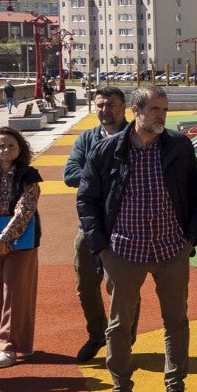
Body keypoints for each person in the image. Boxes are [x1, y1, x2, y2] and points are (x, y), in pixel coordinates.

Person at [76, 85, 197, 392]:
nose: (161, 116)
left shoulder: (178, 145)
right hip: (123, 249)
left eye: (164, 109)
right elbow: (87, 201)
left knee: (176, 321)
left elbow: (194, 196)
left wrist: (190, 238)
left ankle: (175, 389)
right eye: (155, 110)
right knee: (119, 325)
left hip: (171, 248)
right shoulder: (106, 151)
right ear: (136, 110)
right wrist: (100, 246)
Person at [62, 86, 127, 361]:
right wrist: (107, 175)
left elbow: (134, 175)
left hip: (125, 226)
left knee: (123, 287)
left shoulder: (134, 137)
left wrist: (93, 177)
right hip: (88, 226)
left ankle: (123, 337)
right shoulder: (86, 139)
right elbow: (70, 174)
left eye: (111, 105)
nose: (105, 110)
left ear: (124, 107)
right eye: (100, 105)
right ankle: (97, 334)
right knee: (86, 285)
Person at [0, 126, 43, 368]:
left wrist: (5, 239)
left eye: (11, 145)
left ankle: (8, 348)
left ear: (20, 149)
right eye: (1, 145)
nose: (5, 149)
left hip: (20, 241)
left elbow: (25, 210)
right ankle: (20, 343)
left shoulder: (29, 176)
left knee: (14, 291)